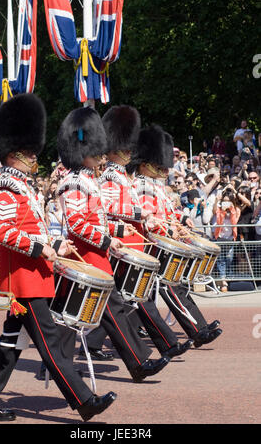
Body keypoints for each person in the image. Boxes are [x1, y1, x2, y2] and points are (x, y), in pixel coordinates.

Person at [0, 93, 117, 423]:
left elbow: (34, 230)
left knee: (12, 341)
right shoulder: (5, 188)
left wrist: (57, 245)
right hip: (23, 280)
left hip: (35, 274)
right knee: (49, 342)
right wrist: (39, 248)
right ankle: (84, 400)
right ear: (12, 153)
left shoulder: (25, 186)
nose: (34, 156)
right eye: (29, 152)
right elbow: (3, 232)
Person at [57, 106, 169, 382]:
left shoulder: (88, 180)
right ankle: (138, 361)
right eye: (96, 149)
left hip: (97, 255)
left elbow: (100, 218)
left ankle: (60, 363)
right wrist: (109, 240)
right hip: (85, 256)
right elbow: (78, 226)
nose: (101, 154)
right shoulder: (73, 182)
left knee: (83, 313)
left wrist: (120, 229)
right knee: (91, 312)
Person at [80, 105, 193, 361]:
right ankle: (168, 343)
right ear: (114, 149)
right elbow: (107, 206)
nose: (129, 152)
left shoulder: (121, 174)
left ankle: (93, 343)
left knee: (123, 298)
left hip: (132, 241)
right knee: (135, 296)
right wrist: (140, 213)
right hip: (121, 242)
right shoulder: (110, 173)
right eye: (125, 147)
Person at [130, 124, 222, 348]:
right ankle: (196, 330)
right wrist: (167, 229)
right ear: (144, 164)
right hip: (153, 244)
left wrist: (181, 219)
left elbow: (167, 211)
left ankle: (198, 328)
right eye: (157, 164)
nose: (163, 169)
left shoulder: (156, 185)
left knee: (148, 293)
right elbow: (148, 218)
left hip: (164, 241)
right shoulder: (140, 186)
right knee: (166, 288)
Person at [212, 188, 241, 291]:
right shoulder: (219, 208)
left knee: (229, 258)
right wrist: (220, 206)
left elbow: (235, 221)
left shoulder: (236, 209)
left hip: (230, 237)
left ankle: (228, 279)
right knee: (221, 260)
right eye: (224, 201)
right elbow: (214, 212)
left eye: (228, 201)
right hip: (220, 237)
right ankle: (223, 281)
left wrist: (231, 209)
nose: (226, 203)